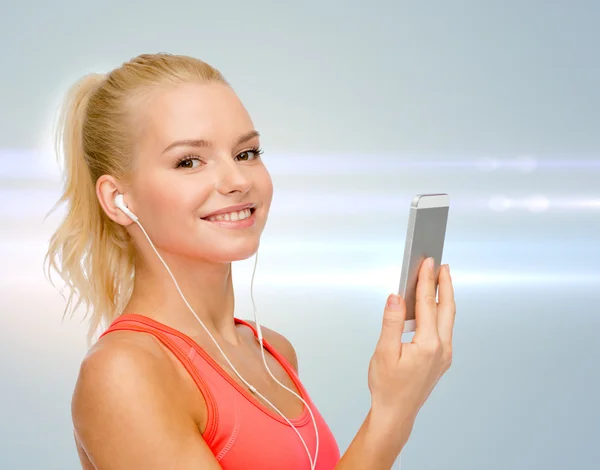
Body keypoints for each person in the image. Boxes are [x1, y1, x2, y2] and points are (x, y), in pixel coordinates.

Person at [44, 53, 456, 470]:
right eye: (189, 161)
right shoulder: (124, 373)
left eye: (246, 153)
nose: (239, 181)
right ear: (119, 199)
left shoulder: (273, 353)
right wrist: (392, 414)